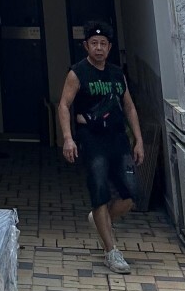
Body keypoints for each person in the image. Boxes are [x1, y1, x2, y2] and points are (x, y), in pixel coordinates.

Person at [57, 20, 144, 274]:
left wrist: (138, 139)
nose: (98, 48)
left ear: (109, 47)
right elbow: (64, 105)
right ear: (86, 46)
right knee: (99, 193)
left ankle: (98, 218)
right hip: (92, 139)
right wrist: (68, 138)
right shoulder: (77, 73)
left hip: (118, 138)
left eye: (103, 44)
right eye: (94, 43)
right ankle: (111, 251)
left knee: (131, 195)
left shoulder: (117, 74)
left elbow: (129, 106)